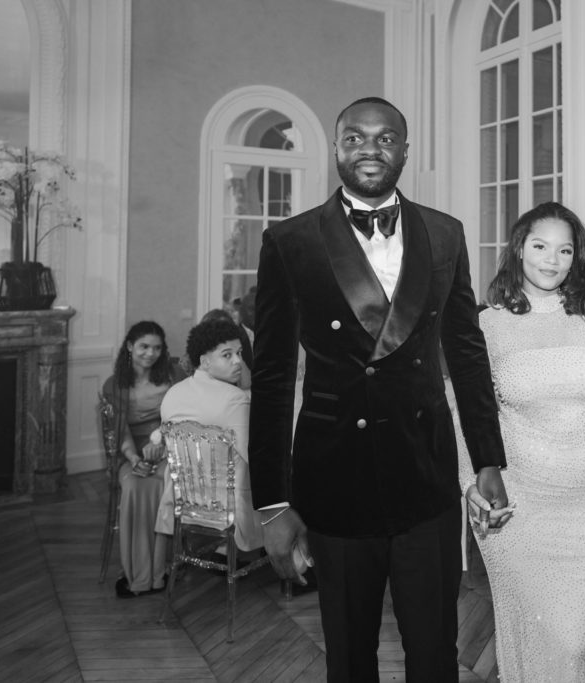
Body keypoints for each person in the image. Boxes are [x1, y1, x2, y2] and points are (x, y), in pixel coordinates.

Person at [249, 96, 509, 682]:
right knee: (349, 656)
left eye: (385, 138)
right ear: (336, 149)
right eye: (355, 138)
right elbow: (271, 378)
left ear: (405, 151)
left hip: (426, 477)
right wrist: (271, 504)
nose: (370, 148)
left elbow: (467, 354)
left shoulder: (445, 233)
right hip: (335, 480)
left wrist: (488, 458)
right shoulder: (289, 240)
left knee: (435, 652)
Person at [459, 202, 585, 682]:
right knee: (539, 630)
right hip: (520, 505)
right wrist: (469, 486)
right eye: (541, 246)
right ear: (520, 249)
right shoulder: (488, 325)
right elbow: (467, 418)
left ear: (576, 257)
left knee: (581, 638)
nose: (552, 260)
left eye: (565, 250)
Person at [155, 319, 262, 552]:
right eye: (227, 355)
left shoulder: (173, 393)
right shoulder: (234, 399)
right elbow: (255, 457)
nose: (238, 361)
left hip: (183, 504)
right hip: (231, 510)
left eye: (239, 353)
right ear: (204, 362)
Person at [102, 321, 185, 598]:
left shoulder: (174, 374)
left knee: (163, 482)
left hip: (170, 445)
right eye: (144, 347)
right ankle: (139, 575)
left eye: (157, 348)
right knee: (135, 485)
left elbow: (185, 415)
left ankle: (162, 570)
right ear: (130, 346)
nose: (151, 353)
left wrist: (161, 443)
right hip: (132, 451)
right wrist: (134, 458)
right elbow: (120, 429)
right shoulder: (114, 384)